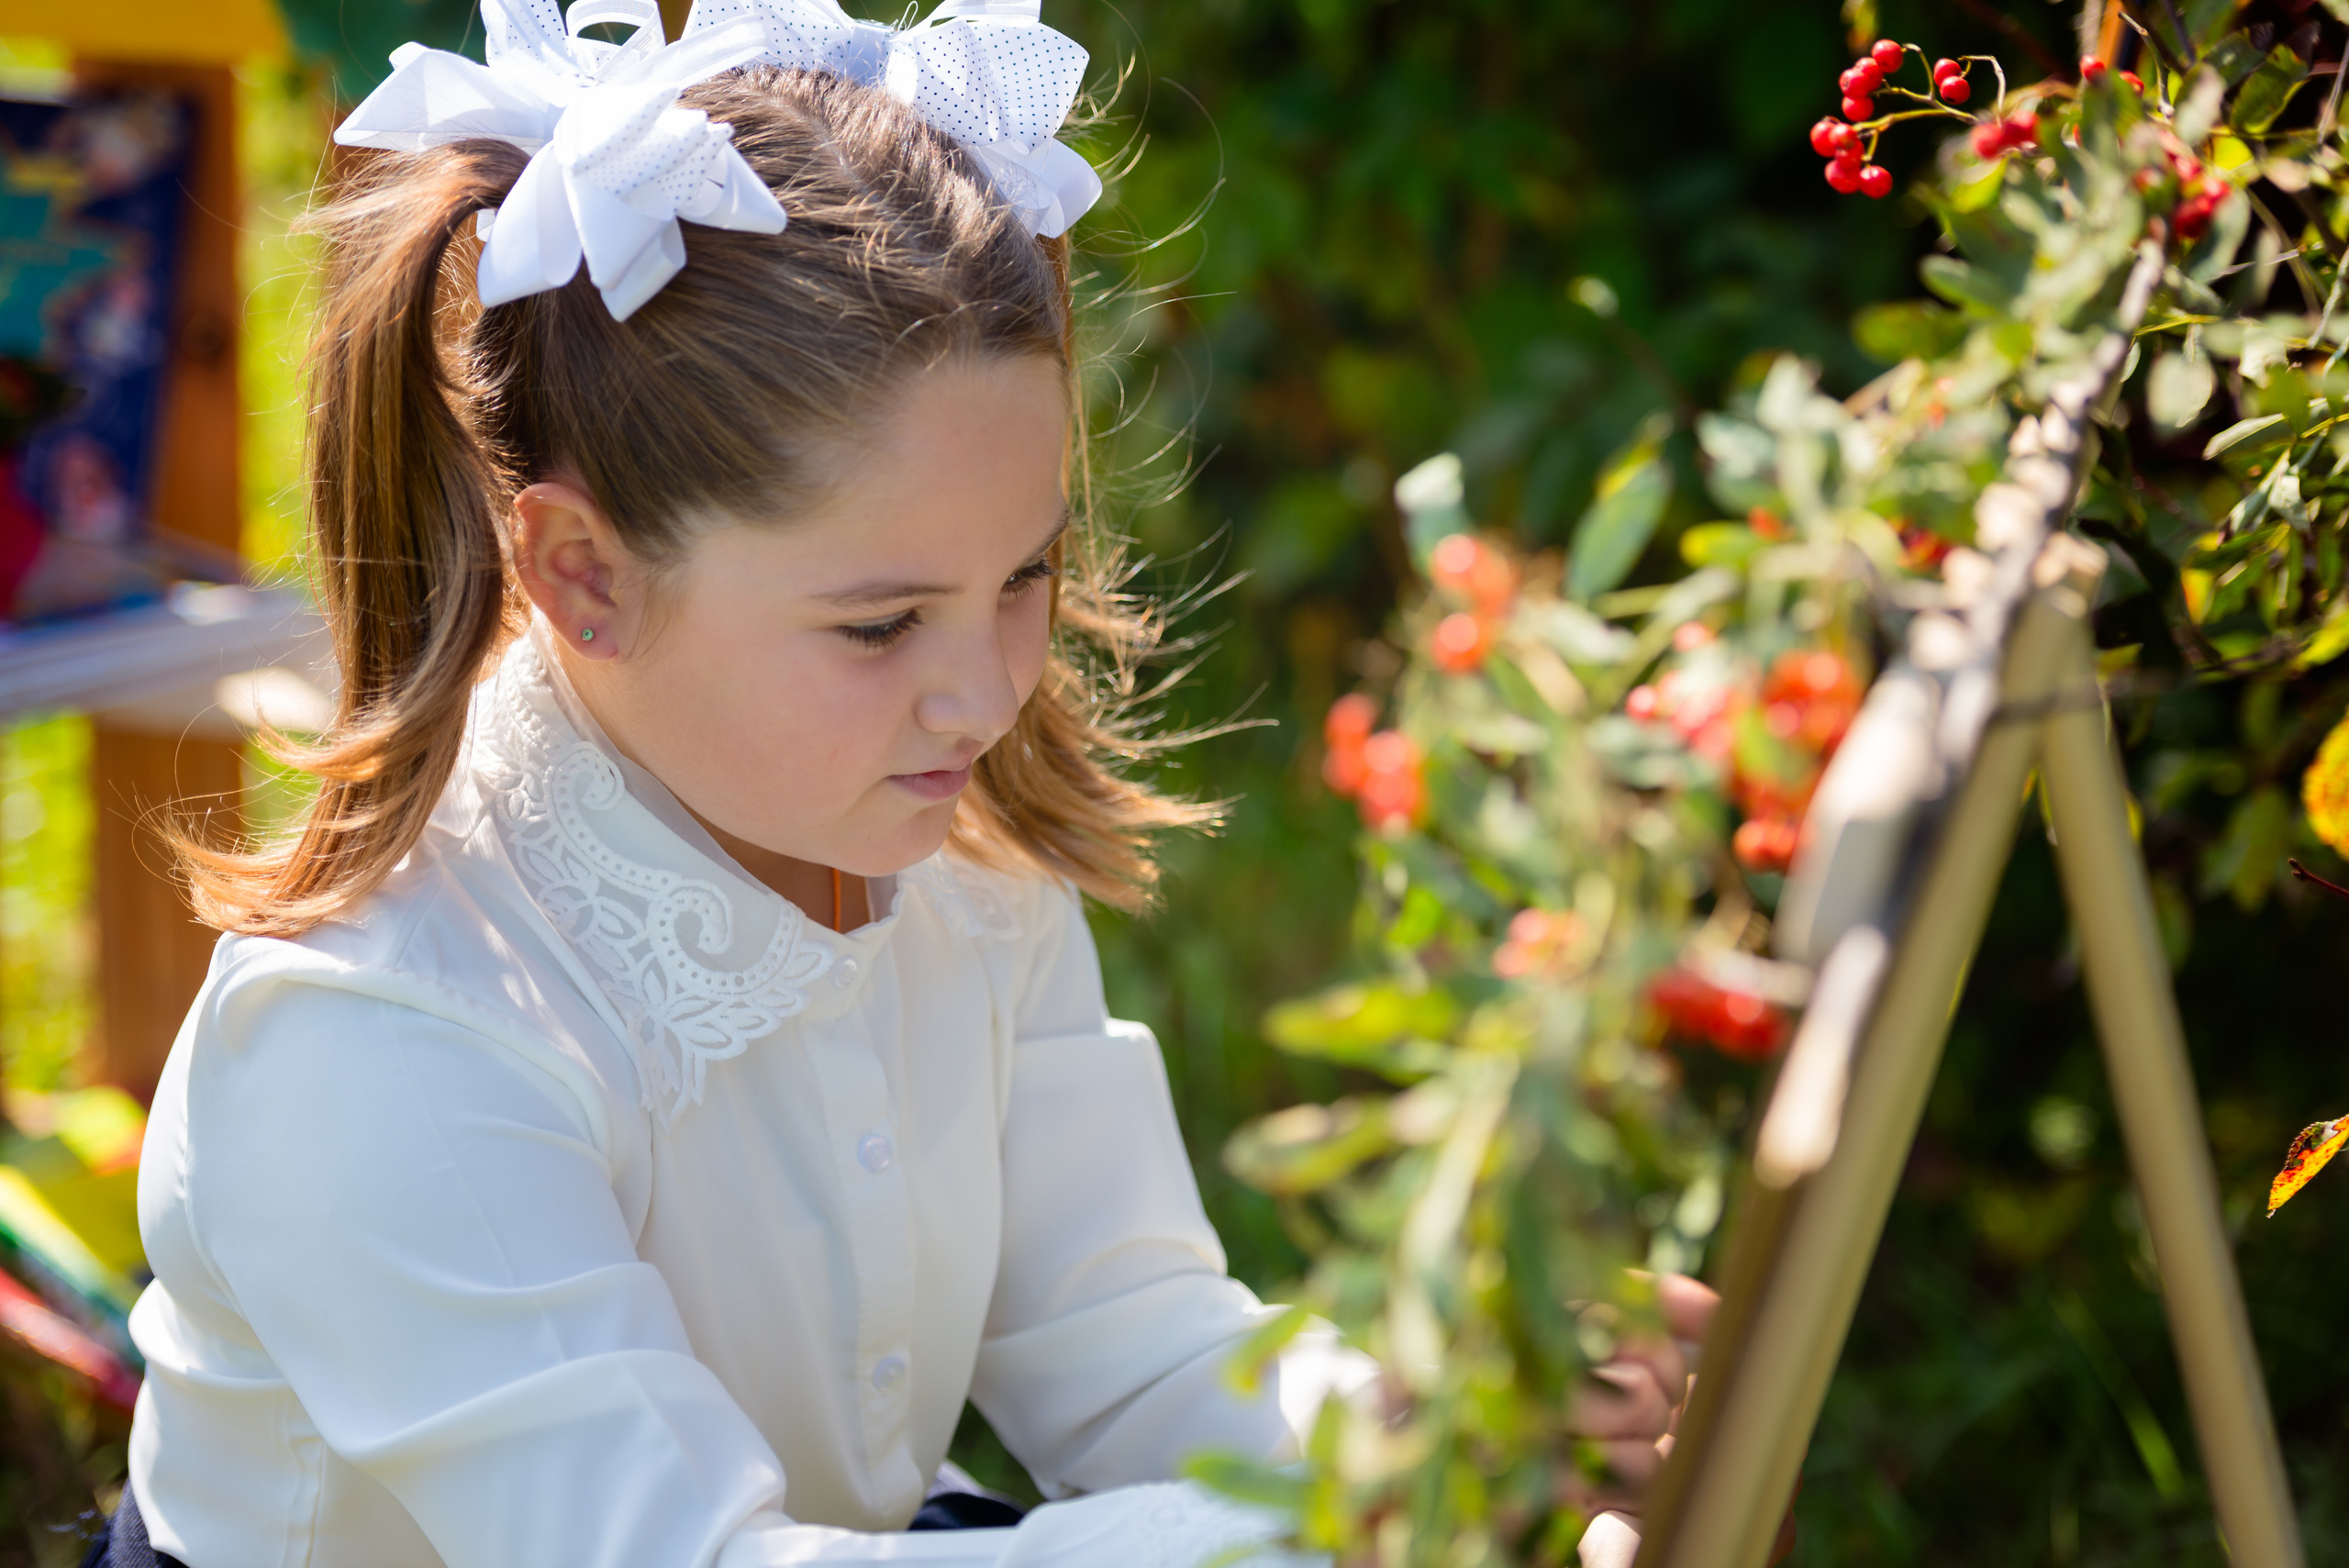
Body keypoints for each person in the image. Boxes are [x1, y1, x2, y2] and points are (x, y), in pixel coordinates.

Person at [105, 3, 1709, 1564]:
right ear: (584, 574)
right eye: (879, 624)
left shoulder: (946, 848)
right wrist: (1329, 1537)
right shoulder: (384, 1028)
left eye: (1026, 576)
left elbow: (1128, 1339)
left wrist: (1430, 1437)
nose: (989, 693)